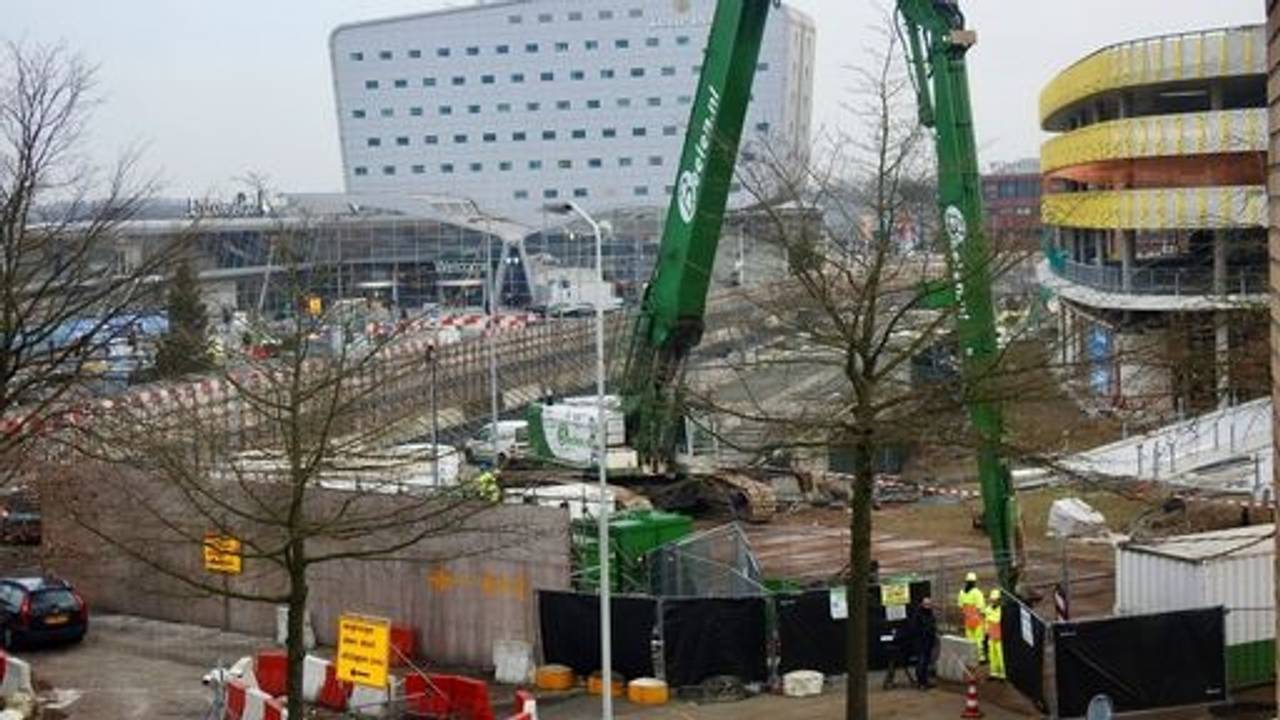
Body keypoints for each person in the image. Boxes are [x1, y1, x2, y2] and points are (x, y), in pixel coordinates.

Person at [904, 596, 938, 689]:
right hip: (921, 642)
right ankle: (921, 682)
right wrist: (926, 631)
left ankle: (924, 681)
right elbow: (915, 628)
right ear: (922, 604)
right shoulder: (918, 615)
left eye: (929, 604)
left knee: (926, 662)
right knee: (921, 662)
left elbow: (932, 625)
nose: (928, 606)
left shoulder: (930, 614)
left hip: (928, 642)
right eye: (926, 604)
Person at [957, 572, 986, 662]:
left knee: (970, 639)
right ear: (974, 582)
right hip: (977, 619)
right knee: (979, 639)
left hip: (967, 619)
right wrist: (983, 617)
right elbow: (981, 607)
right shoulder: (977, 592)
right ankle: (980, 657)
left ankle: (971, 657)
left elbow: (960, 606)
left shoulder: (962, 593)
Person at [986, 589, 1005, 680]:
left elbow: (997, 620)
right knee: (992, 655)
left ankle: (1002, 674)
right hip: (991, 636)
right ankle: (993, 672)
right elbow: (987, 621)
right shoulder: (988, 609)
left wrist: (990, 618)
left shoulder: (1001, 610)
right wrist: (986, 632)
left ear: (999, 600)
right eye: (992, 600)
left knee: (1000, 655)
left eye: (995, 600)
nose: (993, 602)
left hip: (999, 637)